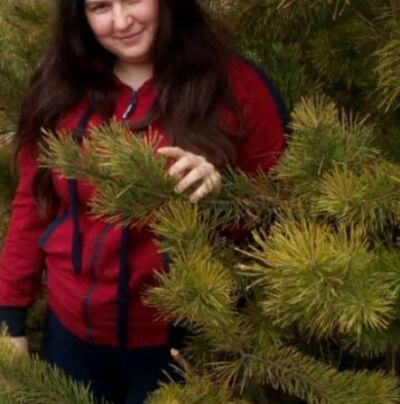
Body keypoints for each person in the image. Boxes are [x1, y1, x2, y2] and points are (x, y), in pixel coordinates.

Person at [0, 0, 287, 403]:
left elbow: (282, 218)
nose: (121, 21)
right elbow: (33, 206)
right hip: (69, 341)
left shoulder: (237, 87)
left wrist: (223, 197)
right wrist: (9, 317)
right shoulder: (60, 88)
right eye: (100, 6)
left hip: (185, 349)